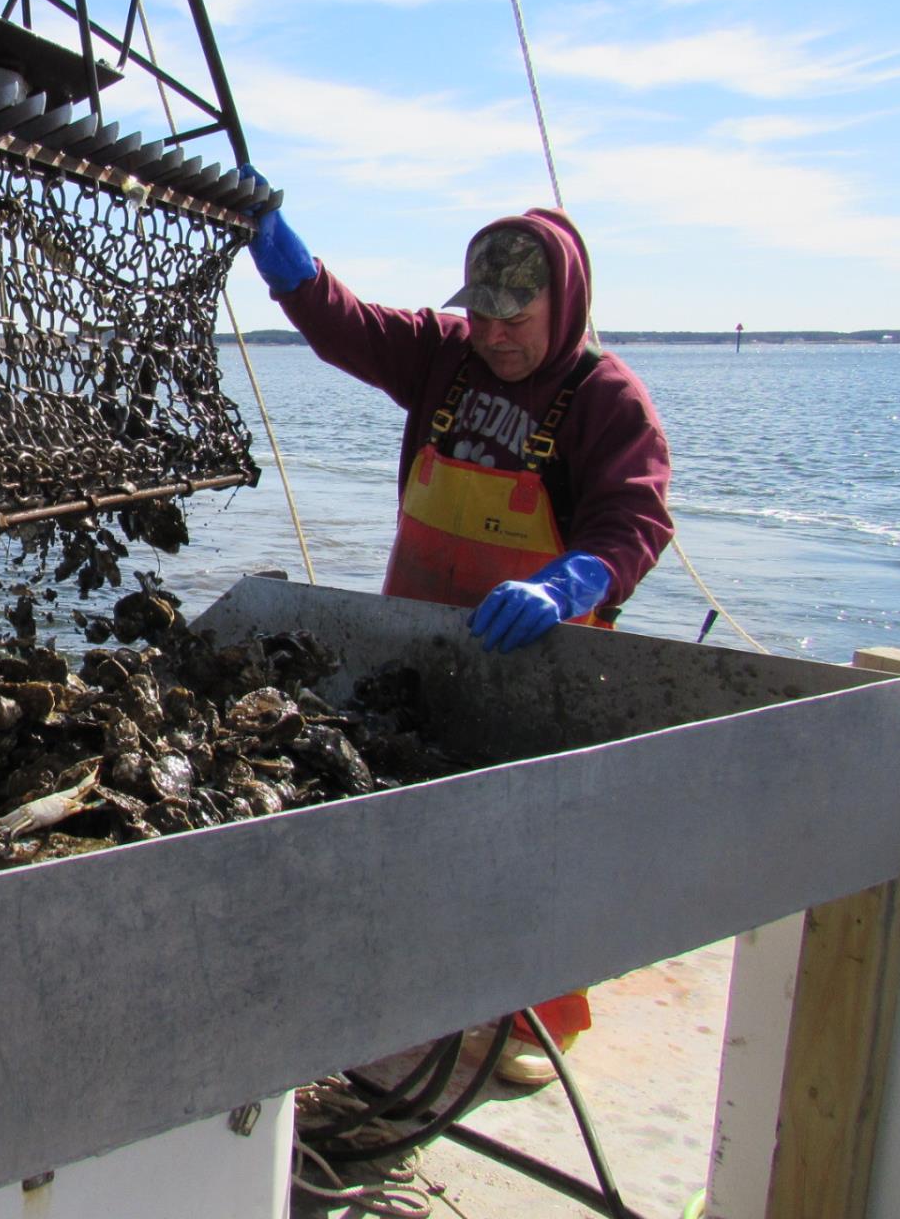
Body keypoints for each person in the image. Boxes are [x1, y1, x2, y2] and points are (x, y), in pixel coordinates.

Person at [249, 187, 674, 1085]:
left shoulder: (608, 400)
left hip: (539, 652)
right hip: (414, 634)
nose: (493, 335)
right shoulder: (444, 358)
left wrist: (574, 582)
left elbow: (636, 519)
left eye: (515, 319)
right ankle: (414, 990)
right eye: (479, 315)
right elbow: (348, 327)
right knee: (405, 811)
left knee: (532, 842)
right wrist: (290, 267)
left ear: (565, 308)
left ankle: (535, 1027)